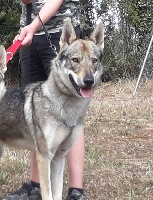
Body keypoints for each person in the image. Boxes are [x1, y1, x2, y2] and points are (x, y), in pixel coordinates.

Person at [3, 0, 88, 200]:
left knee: (71, 114)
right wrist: (30, 29)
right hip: (29, 38)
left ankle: (76, 191)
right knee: (34, 112)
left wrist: (33, 26)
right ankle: (36, 186)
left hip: (61, 34)